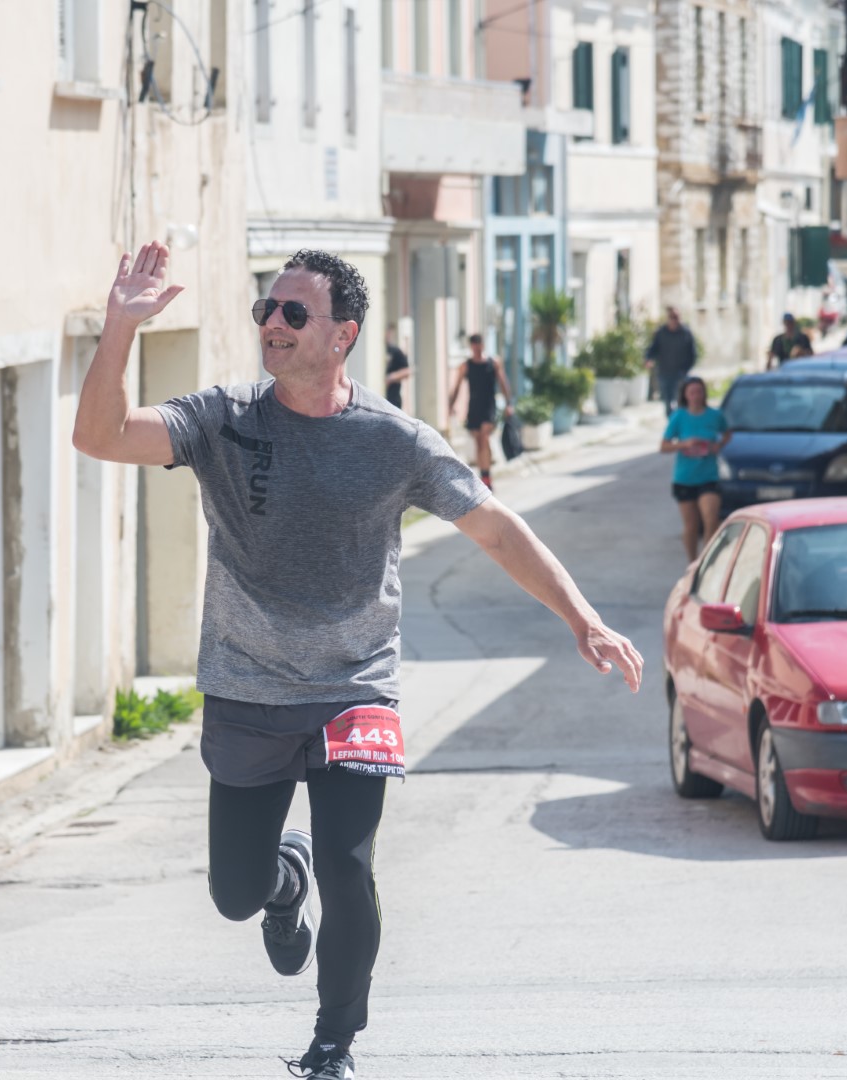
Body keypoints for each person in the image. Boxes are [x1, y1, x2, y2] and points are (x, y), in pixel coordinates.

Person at [72, 242, 643, 1080]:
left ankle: (333, 1042)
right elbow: (100, 436)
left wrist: (582, 618)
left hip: (355, 688)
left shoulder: (393, 441)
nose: (272, 323)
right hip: (247, 686)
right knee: (234, 893)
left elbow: (492, 526)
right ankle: (281, 880)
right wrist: (121, 327)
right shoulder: (225, 418)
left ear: (343, 335)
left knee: (351, 867)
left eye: (292, 312)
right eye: (266, 309)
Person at [661, 376, 731, 562]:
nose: (696, 396)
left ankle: (706, 562)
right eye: (691, 392)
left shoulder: (715, 415)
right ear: (685, 395)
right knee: (691, 526)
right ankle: (692, 563)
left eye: (699, 391)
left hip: (709, 476)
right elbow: (663, 446)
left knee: (711, 518)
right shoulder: (679, 417)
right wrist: (684, 444)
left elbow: (727, 433)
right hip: (684, 478)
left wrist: (718, 445)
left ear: (704, 393)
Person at [447, 333, 514, 489]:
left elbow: (503, 383)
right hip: (474, 406)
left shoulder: (493, 363)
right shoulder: (466, 366)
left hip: (489, 406)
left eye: (479, 345)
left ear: (483, 345)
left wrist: (509, 404)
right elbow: (457, 387)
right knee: (479, 442)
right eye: (474, 345)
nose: (477, 348)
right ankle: (484, 474)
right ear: (471, 346)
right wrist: (451, 405)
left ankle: (486, 477)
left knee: (484, 438)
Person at [644, 306, 698, 416]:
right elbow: (653, 348)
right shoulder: (661, 332)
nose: (674, 320)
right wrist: (648, 358)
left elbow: (693, 354)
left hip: (680, 373)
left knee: (681, 400)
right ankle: (671, 421)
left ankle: (681, 420)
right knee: (668, 401)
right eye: (672, 317)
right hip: (665, 373)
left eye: (676, 317)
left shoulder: (685, 333)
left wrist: (686, 369)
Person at [383, 325, 410, 411]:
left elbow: (406, 371)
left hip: (393, 398)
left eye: (389, 333)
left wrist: (392, 377)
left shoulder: (395, 351)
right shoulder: (378, 350)